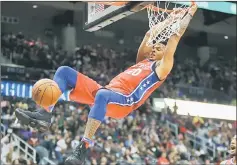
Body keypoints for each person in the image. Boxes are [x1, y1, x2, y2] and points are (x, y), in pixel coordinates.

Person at [15, 4, 197, 165]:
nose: (156, 46)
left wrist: (187, 14)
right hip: (106, 91)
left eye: (160, 47)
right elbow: (150, 34)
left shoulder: (162, 68)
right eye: (156, 46)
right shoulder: (142, 61)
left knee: (102, 95)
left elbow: (174, 38)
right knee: (64, 71)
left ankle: (83, 147)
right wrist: (170, 18)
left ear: (165, 54)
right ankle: (44, 114)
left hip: (125, 101)